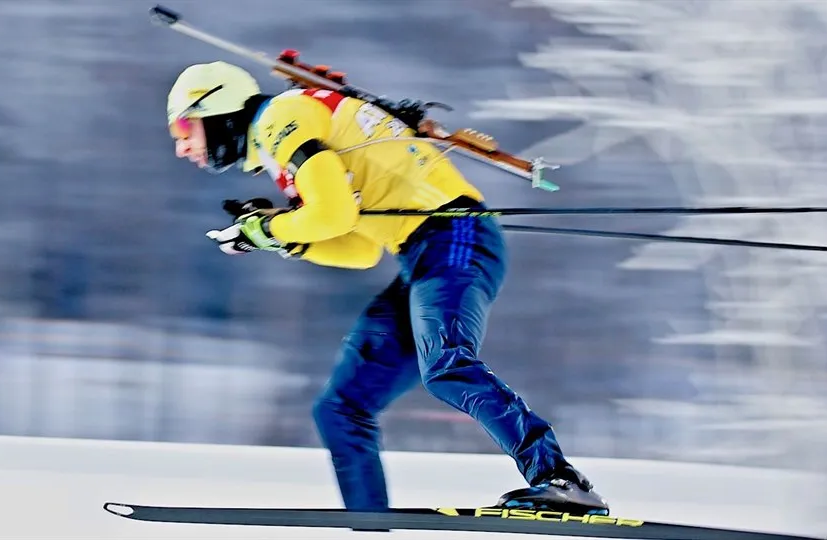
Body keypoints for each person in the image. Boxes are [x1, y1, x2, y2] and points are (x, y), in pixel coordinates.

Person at [165, 61, 610, 516]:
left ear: (218, 108)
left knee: (446, 364)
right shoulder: (284, 137)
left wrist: (267, 230)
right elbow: (358, 249)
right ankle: (370, 526)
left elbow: (332, 214)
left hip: (454, 234)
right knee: (341, 408)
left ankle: (560, 479)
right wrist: (280, 238)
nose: (182, 147)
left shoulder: (281, 119)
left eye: (183, 128)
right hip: (421, 253)